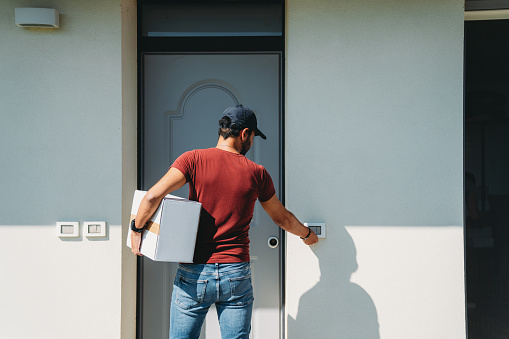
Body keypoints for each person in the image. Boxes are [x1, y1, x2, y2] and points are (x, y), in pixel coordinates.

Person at [131, 104, 319, 339]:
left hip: (194, 272)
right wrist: (307, 234)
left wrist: (136, 229)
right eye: (252, 136)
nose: (251, 142)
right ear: (244, 133)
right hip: (235, 272)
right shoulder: (257, 172)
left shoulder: (193, 159)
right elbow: (281, 218)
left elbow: (152, 196)